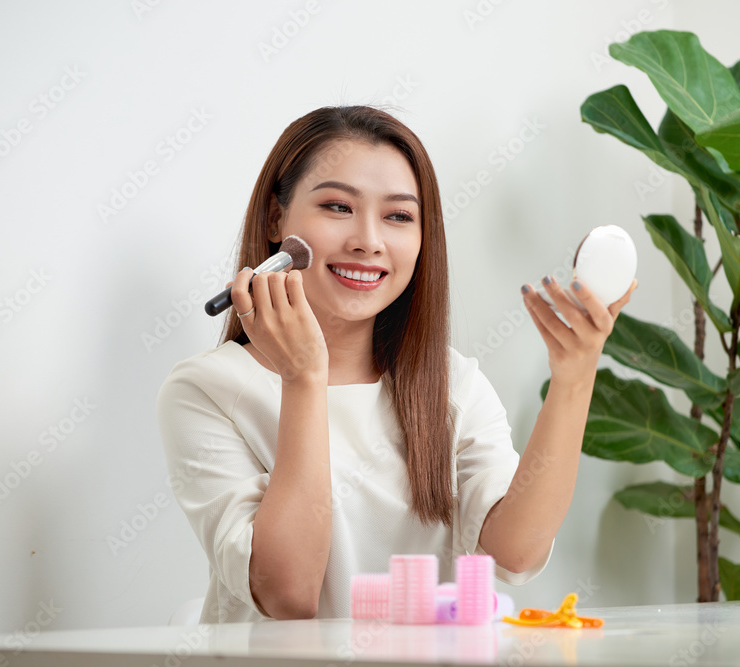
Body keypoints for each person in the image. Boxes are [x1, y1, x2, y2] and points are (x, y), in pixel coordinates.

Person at [156, 105, 637, 623]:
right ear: (277, 220)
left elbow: (515, 554)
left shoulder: (453, 385)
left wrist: (574, 376)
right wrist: (303, 377)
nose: (368, 240)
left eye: (399, 216)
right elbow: (289, 595)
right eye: (338, 207)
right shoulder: (206, 390)